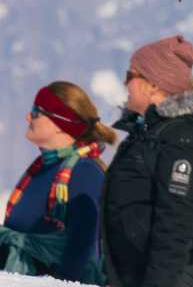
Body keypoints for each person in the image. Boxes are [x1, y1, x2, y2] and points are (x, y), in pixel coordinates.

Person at [103, 36, 193, 287]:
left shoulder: (182, 141)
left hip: (180, 275)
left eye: (131, 75)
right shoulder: (148, 133)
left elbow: (178, 221)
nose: (126, 83)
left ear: (152, 85)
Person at [2, 81, 112, 282]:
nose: (28, 117)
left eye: (36, 112)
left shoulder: (85, 174)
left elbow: (82, 259)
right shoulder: (42, 169)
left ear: (61, 123)